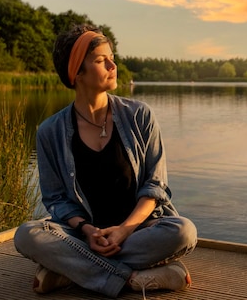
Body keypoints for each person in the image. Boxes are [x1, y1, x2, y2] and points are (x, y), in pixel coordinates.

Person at [14, 24, 197, 298]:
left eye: (112, 57)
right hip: (83, 235)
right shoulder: (49, 132)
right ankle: (134, 279)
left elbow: (155, 186)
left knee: (183, 231)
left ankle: (69, 271)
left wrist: (123, 231)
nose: (113, 65)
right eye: (101, 60)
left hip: (138, 229)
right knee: (27, 235)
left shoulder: (139, 115)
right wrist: (88, 231)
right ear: (76, 72)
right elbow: (56, 199)